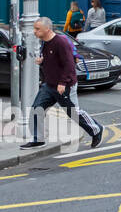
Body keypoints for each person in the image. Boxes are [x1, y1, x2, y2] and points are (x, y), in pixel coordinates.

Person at [20, 17, 103, 150]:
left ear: (47, 29)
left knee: (73, 113)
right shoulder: (45, 42)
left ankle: (96, 130)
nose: (34, 32)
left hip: (64, 86)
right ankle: (38, 139)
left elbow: (69, 65)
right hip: (49, 85)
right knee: (36, 109)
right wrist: (43, 61)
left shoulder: (61, 42)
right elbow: (54, 60)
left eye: (37, 29)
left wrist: (63, 83)